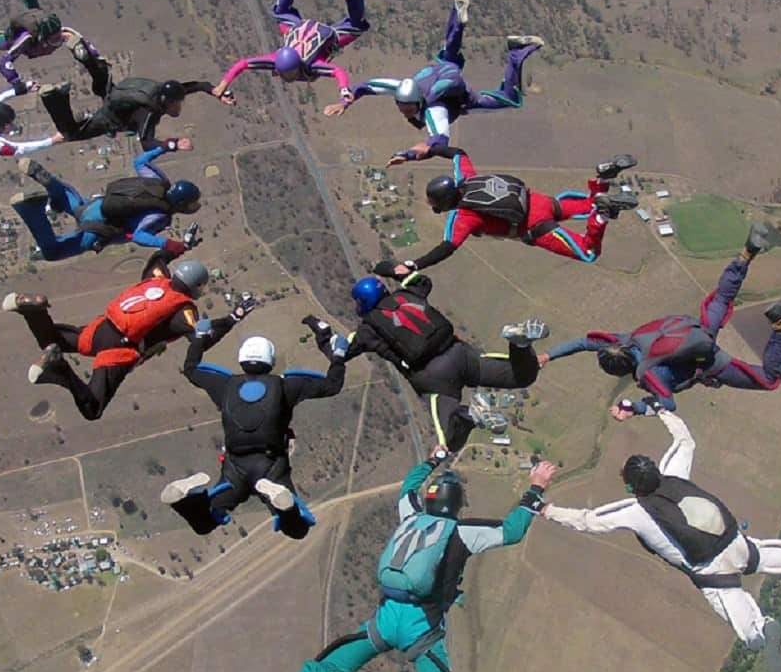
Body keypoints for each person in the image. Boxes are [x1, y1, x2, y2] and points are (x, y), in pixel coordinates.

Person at [249, 452, 556, 672]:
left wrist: (433, 459)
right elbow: (512, 531)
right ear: (457, 504)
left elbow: (408, 486)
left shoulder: (410, 515)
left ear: (432, 500)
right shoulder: (462, 532)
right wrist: (535, 488)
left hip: (386, 617)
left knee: (343, 658)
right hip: (420, 628)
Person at [535, 409, 781, 672]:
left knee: (748, 633)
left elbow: (588, 521)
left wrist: (546, 509)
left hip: (712, 571)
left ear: (631, 487)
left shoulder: (635, 510)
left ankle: (764, 630)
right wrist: (657, 408)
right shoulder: (673, 473)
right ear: (655, 472)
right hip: (739, 545)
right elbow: (685, 440)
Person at [541, 223, 781, 415]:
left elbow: (667, 404)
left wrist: (633, 407)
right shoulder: (626, 340)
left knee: (769, 379)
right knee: (722, 298)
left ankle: (779, 323)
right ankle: (747, 252)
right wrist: (548, 356)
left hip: (709, 361)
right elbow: (584, 343)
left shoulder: (648, 374)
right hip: (696, 328)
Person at [307, 274, 547, 450]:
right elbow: (423, 280)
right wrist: (396, 270)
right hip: (461, 355)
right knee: (523, 375)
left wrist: (321, 332)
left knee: (451, 441)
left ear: (364, 301)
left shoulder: (367, 330)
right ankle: (520, 343)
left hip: (434, 379)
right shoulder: (408, 294)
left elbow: (338, 352)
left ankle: (470, 416)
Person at [4, 256, 252, 420]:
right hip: (120, 348)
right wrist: (233, 318)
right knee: (92, 409)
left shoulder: (156, 278)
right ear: (196, 287)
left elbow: (157, 258)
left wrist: (182, 246)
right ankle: (60, 367)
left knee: (51, 339)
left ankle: (33, 312)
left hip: (102, 328)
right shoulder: (183, 310)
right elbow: (202, 337)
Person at [159, 325, 347, 540]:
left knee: (205, 523)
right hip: (271, 465)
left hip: (234, 466)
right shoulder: (288, 385)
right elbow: (333, 385)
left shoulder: (224, 384)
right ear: (271, 360)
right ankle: (285, 507)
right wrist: (338, 355)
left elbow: (191, 368)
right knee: (297, 529)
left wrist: (200, 338)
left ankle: (188, 501)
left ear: (241, 358)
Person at [325, 0, 543, 164]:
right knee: (449, 55)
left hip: (463, 98)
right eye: (402, 107)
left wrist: (408, 155)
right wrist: (345, 101)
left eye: (408, 109)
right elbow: (367, 86)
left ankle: (517, 52)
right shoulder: (400, 87)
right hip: (443, 71)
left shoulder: (433, 111)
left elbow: (438, 143)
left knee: (510, 100)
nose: (404, 112)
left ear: (419, 102)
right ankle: (457, 18)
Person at [374, 144, 639, 274]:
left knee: (588, 251)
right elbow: (458, 153)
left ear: (445, 204)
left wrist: (413, 264)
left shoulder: (464, 217)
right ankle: (603, 178)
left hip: (535, 226)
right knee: (588, 204)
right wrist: (428, 151)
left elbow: (445, 249)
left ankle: (603, 215)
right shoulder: (467, 178)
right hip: (541, 201)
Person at [9, 140, 202, 261]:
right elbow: (139, 236)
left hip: (95, 206)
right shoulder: (160, 215)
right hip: (98, 230)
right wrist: (168, 244)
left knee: (67, 202)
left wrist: (169, 146)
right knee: (53, 252)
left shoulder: (159, 181)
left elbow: (140, 162)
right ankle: (31, 209)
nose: (194, 207)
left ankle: (48, 180)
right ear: (181, 204)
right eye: (191, 204)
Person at [212, 0, 368, 103]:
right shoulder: (276, 60)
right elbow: (243, 64)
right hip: (296, 28)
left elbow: (337, 71)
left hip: (328, 36)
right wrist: (223, 85)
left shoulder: (311, 64)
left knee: (357, 25)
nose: (285, 77)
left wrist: (344, 89)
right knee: (280, 11)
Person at [39, 74, 234, 150]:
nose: (179, 107)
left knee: (74, 128)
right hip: (111, 118)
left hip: (118, 98)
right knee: (70, 134)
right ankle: (54, 98)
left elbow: (196, 84)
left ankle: (73, 107)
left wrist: (215, 91)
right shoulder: (149, 113)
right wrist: (175, 144)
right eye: (177, 104)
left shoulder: (163, 90)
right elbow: (147, 144)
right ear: (167, 103)